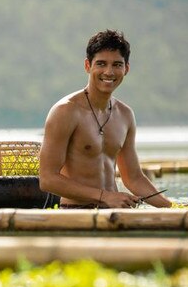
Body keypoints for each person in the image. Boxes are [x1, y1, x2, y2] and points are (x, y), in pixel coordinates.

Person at [39, 29, 171, 209]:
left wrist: (174, 208)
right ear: (88, 65)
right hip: (75, 213)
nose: (109, 72)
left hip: (115, 212)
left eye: (117, 65)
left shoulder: (125, 115)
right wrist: (104, 196)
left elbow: (133, 178)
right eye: (101, 64)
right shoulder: (65, 111)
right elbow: (47, 179)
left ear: (126, 69)